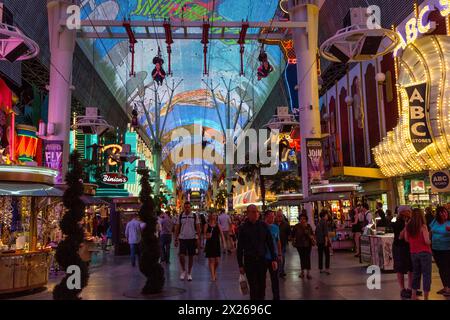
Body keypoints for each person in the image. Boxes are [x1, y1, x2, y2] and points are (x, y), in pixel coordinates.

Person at [237, 205, 277, 300]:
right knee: (253, 286)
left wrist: (274, 259)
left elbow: (270, 243)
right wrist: (240, 265)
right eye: (253, 212)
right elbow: (239, 248)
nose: (255, 214)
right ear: (248, 213)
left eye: (256, 212)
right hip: (249, 261)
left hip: (261, 260)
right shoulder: (243, 228)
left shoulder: (263, 226)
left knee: (262, 285)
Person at [404, 208, 432, 300]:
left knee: (416, 274)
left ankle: (413, 295)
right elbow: (427, 241)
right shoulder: (423, 226)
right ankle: (426, 297)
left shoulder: (408, 226)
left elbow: (406, 239)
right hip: (425, 252)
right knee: (426, 275)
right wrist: (431, 239)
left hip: (413, 253)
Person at [174, 202, 201, 281]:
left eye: (188, 207)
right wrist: (176, 239)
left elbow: (198, 227)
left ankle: (189, 272)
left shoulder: (194, 216)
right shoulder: (180, 216)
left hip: (192, 238)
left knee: (191, 256)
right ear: (183, 208)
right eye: (185, 207)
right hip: (182, 238)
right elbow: (177, 228)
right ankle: (183, 270)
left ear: (190, 208)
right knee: (181, 255)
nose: (187, 209)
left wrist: (198, 238)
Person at [429, 206, 450, 296]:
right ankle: (445, 287)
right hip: (436, 249)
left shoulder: (449, 222)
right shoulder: (435, 221)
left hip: (447, 249)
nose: (443, 214)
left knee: (447, 268)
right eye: (441, 213)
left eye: (444, 212)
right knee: (441, 269)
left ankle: (448, 288)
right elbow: (430, 232)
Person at [264, 211, 281, 300]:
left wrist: (279, 254)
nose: (273, 219)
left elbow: (278, 241)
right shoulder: (262, 227)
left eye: (273, 217)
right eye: (271, 217)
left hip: (273, 257)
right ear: (266, 217)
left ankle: (276, 297)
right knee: (262, 278)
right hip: (263, 257)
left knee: (275, 278)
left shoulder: (275, 227)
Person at [292, 213, 315, 279]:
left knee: (307, 258)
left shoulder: (308, 226)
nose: (302, 220)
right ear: (299, 219)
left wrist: (308, 233)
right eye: (301, 219)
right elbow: (293, 235)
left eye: (304, 219)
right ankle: (302, 272)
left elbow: (312, 235)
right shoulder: (296, 226)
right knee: (302, 258)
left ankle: (308, 273)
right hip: (299, 245)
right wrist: (293, 242)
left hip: (308, 245)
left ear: (306, 220)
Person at [204, 213, 225, 281]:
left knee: (217, 261)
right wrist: (207, 236)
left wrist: (224, 242)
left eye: (215, 215)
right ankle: (213, 276)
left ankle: (214, 271)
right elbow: (204, 235)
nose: (214, 217)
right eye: (213, 215)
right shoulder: (206, 225)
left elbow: (221, 234)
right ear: (210, 216)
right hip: (209, 244)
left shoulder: (218, 225)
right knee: (211, 261)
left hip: (216, 244)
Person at [275, 209, 291, 278]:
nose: (279, 217)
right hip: (274, 245)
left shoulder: (286, 224)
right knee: (276, 258)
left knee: (282, 257)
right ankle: (278, 270)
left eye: (280, 216)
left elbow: (289, 233)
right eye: (278, 216)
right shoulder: (273, 224)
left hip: (283, 243)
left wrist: (289, 239)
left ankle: (281, 271)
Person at [316, 210, 331, 275]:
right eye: (326, 215)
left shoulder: (319, 222)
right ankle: (327, 269)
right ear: (324, 216)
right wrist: (326, 242)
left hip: (319, 241)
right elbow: (325, 233)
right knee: (327, 255)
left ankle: (321, 269)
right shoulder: (324, 222)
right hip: (323, 241)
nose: (327, 216)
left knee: (320, 255)